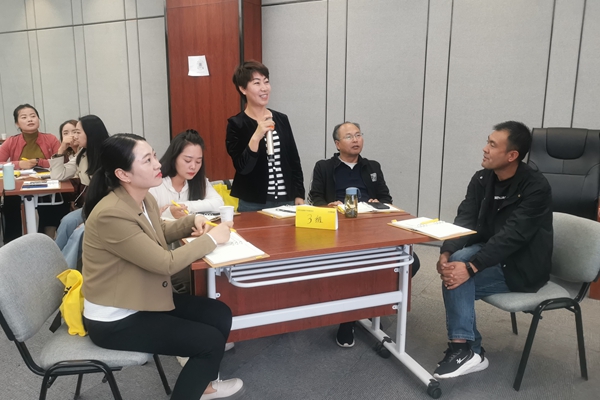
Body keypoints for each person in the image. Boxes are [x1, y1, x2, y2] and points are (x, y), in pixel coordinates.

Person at [82, 134, 244, 400]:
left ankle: (201, 385)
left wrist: (192, 221)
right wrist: (212, 239)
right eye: (147, 160)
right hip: (116, 319)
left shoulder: (143, 199)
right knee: (209, 342)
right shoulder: (111, 214)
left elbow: (158, 231)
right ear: (123, 174)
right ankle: (195, 390)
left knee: (219, 313)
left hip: (139, 299)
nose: (158, 164)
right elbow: (164, 263)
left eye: (155, 156)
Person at [433, 121, 553, 379]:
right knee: (454, 265)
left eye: (492, 144)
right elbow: (465, 219)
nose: (485, 149)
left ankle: (464, 349)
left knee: (457, 277)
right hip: (491, 253)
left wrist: (471, 267)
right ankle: (469, 351)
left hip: (522, 265)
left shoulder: (535, 187)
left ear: (512, 155)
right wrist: (447, 251)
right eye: (488, 142)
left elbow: (513, 236)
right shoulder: (482, 178)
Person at [308, 121, 419, 348]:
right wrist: (329, 206)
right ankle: (349, 319)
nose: (355, 140)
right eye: (349, 136)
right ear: (337, 144)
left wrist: (378, 203)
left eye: (358, 135)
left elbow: (386, 198)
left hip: (371, 228)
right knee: (353, 268)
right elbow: (315, 198)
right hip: (339, 230)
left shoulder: (372, 167)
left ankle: (368, 305)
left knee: (410, 262)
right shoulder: (324, 167)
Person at [226, 60, 305, 212]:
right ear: (243, 89)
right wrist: (256, 135)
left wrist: (299, 194)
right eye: (257, 83)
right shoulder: (236, 124)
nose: (264, 88)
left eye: (266, 82)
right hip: (253, 203)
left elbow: (294, 160)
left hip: (286, 199)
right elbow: (243, 167)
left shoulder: (281, 119)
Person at [52, 115, 110, 269]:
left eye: (78, 132)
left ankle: (65, 270)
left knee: (79, 233)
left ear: (91, 133)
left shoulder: (109, 154)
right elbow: (58, 175)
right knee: (67, 221)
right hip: (89, 206)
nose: (74, 136)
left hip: (107, 208)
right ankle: (52, 262)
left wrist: (88, 220)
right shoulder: (82, 153)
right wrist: (61, 150)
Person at [0, 104, 60, 243]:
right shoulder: (11, 141)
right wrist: (19, 164)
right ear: (17, 123)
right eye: (24, 117)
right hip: (19, 185)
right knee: (10, 200)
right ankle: (13, 242)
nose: (30, 119)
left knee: (54, 200)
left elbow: (61, 162)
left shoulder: (51, 139)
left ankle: (45, 239)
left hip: (46, 183)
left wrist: (40, 162)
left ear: (38, 119)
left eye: (33, 116)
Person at [150, 129, 224, 219]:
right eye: (187, 160)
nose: (193, 166)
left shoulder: (200, 180)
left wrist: (182, 206)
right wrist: (169, 212)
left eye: (198, 161)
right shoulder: (155, 183)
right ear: (174, 157)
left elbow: (219, 203)